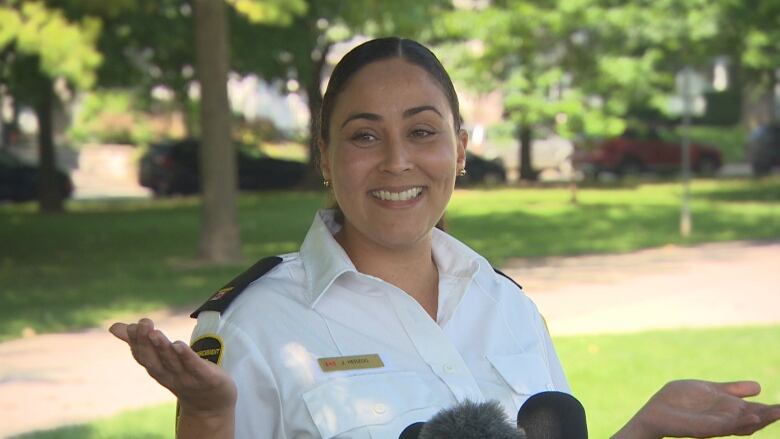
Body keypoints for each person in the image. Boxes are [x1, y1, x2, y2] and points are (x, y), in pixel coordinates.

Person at [110, 37, 780, 439]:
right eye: (364, 135)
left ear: (460, 149)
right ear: (324, 155)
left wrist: (645, 425)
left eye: (423, 131)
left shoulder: (506, 304)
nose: (397, 160)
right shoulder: (256, 322)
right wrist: (204, 419)